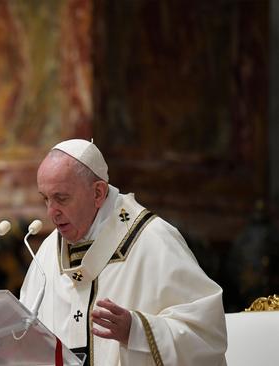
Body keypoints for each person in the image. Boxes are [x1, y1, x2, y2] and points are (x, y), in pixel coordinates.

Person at [20, 139, 227, 366]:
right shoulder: (48, 251)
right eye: (46, 199)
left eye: (61, 198)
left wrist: (136, 331)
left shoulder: (152, 240)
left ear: (98, 193)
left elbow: (207, 336)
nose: (51, 212)